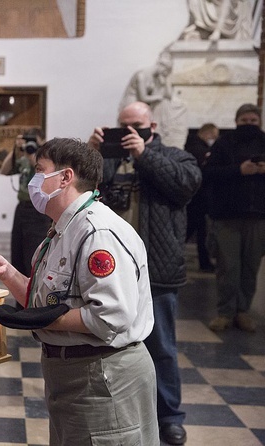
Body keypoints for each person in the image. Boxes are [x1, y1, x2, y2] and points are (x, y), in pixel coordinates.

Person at [0, 138, 158, 445]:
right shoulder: (62, 227)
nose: (35, 181)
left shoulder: (97, 231)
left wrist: (39, 321)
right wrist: (8, 274)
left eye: (40, 170)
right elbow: (46, 300)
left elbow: (112, 316)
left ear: (65, 177)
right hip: (72, 374)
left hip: (103, 375)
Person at [88, 101, 202, 445]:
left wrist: (144, 154)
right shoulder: (106, 159)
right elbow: (79, 189)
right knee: (104, 342)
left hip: (157, 269)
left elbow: (185, 186)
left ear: (152, 125)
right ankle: (115, 411)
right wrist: (91, 153)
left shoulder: (176, 156)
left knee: (162, 345)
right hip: (109, 268)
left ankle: (169, 417)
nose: (129, 132)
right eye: (123, 126)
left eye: (137, 125)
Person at [203, 103, 265, 332]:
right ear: (237, 121)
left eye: (253, 121)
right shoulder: (224, 143)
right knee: (228, 267)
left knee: (250, 268)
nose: (249, 125)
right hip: (227, 216)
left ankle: (243, 311)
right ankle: (225, 312)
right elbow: (208, 173)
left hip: (258, 216)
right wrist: (239, 170)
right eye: (244, 121)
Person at [0, 128, 52, 276]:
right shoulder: (23, 158)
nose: (31, 145)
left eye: (34, 141)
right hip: (22, 208)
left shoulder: (47, 161)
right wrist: (16, 149)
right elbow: (4, 170)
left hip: (38, 212)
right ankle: (19, 297)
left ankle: (31, 295)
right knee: (17, 256)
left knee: (32, 257)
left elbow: (42, 173)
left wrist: (34, 154)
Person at [119, 52, 189, 150]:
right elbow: (143, 98)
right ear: (162, 67)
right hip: (132, 106)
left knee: (168, 105)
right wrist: (159, 96)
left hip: (142, 107)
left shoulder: (156, 78)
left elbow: (168, 95)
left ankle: (165, 134)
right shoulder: (142, 75)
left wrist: (166, 80)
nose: (165, 73)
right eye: (166, 71)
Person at [185, 123, 219, 272]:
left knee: (196, 231)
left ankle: (204, 262)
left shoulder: (191, 146)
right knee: (197, 231)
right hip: (198, 198)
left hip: (195, 198)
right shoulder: (198, 150)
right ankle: (204, 263)